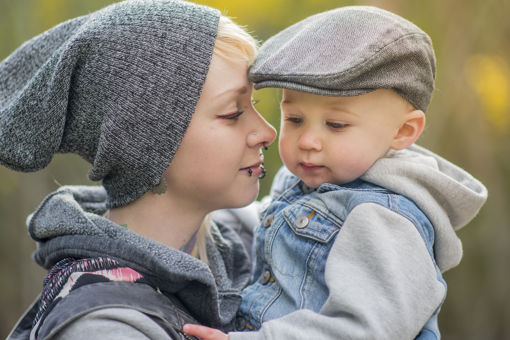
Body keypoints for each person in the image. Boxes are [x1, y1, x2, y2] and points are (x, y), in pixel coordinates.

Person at [182, 6, 488, 340]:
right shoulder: (316, 177)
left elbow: (364, 330)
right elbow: (267, 219)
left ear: (403, 131)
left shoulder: (384, 220)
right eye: (295, 120)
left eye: (336, 125)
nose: (309, 141)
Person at [0, 1, 277, 339]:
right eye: (233, 113)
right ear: (151, 142)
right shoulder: (102, 328)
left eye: (255, 105)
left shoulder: (258, 239)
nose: (267, 132)